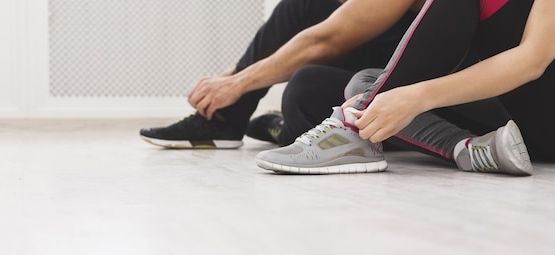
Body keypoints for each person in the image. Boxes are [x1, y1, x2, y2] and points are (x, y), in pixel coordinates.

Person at [255, 0, 554, 176]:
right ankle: (472, 149)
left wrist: (415, 97)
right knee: (336, 84)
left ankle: (356, 127)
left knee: (379, 95)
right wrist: (395, 94)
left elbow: (532, 60)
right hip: (513, 117)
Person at [139, 0, 419, 149]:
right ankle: (225, 120)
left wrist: (237, 82)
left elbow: (328, 41)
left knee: (305, 87)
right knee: (302, 7)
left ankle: (283, 128)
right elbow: (341, 19)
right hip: (387, 60)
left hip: (415, 93)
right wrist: (237, 74)